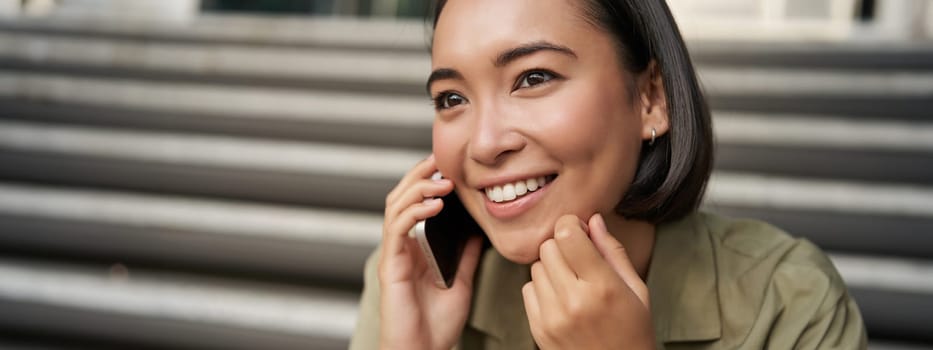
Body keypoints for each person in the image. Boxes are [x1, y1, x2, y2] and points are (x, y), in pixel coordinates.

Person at [350, 0, 868, 348]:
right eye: (452, 98)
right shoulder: (415, 282)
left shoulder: (789, 301)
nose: (484, 143)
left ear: (651, 99)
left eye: (533, 77)